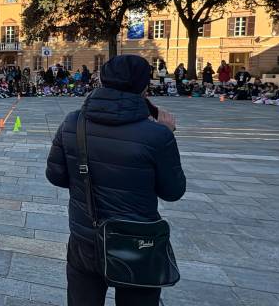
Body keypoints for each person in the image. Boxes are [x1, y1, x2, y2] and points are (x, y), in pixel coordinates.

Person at [45, 55, 186, 306]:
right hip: (138, 243)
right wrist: (167, 134)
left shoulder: (73, 122)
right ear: (144, 87)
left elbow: (55, 176)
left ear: (101, 79)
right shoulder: (156, 135)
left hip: (86, 236)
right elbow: (173, 190)